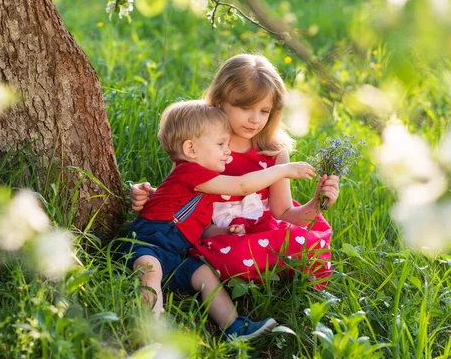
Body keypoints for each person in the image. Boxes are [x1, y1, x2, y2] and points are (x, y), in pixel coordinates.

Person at [130, 54, 340, 289]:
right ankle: (256, 271)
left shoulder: (274, 154)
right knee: (234, 254)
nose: (255, 119)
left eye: (264, 111)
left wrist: (317, 204)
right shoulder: (201, 149)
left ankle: (268, 272)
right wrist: (149, 194)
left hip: (260, 230)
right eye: (245, 107)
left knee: (305, 242)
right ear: (219, 102)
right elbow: (181, 195)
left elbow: (283, 213)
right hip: (216, 236)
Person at [119, 100, 317, 340]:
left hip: (177, 254)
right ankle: (152, 329)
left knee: (204, 275)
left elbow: (199, 228)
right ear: (191, 149)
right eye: (221, 144)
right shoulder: (190, 172)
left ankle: (234, 326)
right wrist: (284, 170)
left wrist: (224, 232)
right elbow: (242, 185)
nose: (227, 150)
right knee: (151, 270)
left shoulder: (204, 188)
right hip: (148, 245)